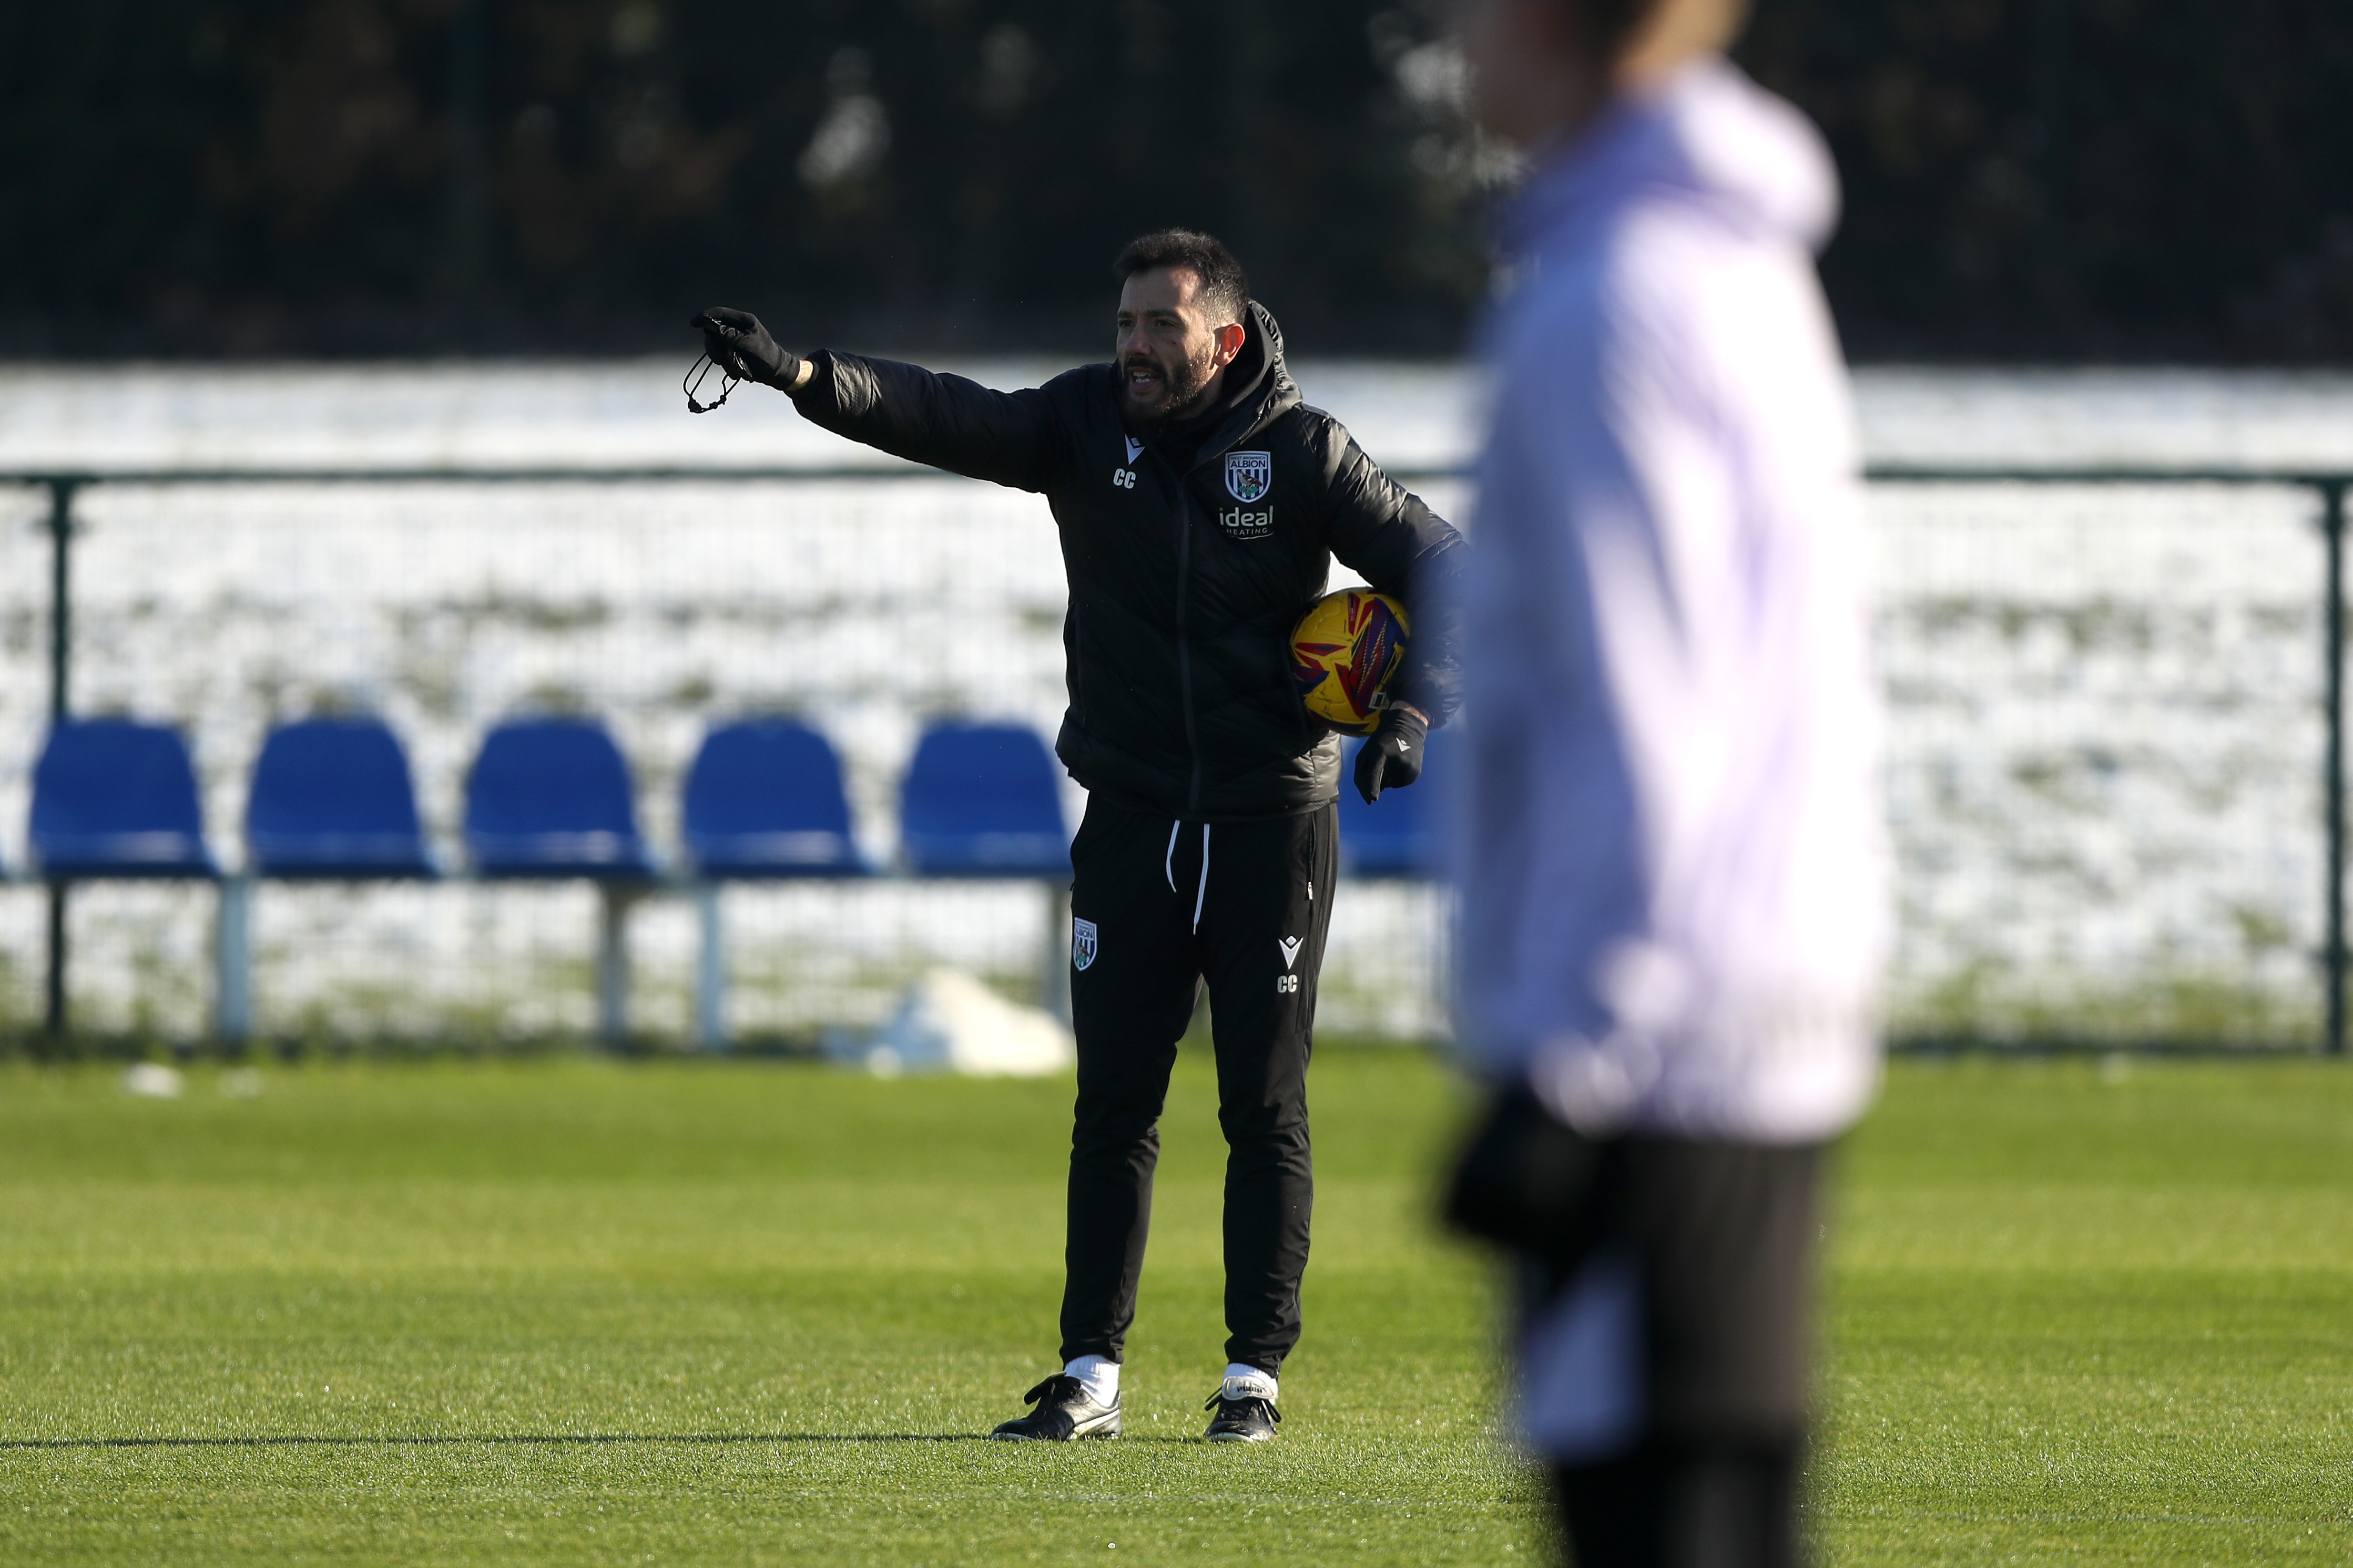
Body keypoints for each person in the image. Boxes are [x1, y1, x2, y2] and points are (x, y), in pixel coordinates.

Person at [694, 230, 1463, 1443]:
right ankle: (1088, 1373)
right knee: (1113, 1104)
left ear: (1223, 336)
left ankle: (1252, 1380)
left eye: (1159, 326)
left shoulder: (1303, 451)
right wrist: (804, 376)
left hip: (1271, 817)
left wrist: (1414, 710)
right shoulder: (1085, 425)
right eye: (1122, 325)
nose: (1134, 348)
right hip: (1132, 811)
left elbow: (1446, 567)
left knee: (1262, 1106)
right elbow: (949, 416)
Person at [1436, 0, 1886, 1562]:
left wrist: (1565, 1071)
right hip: (1752, 1037)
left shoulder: (1609, 304)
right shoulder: (1741, 269)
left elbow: (1647, 716)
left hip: (1645, 1070)